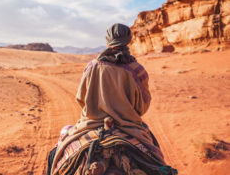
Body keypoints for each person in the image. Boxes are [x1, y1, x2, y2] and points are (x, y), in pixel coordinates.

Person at [48, 23, 177, 175]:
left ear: (107, 40)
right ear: (129, 40)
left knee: (56, 154)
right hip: (130, 127)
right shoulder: (138, 70)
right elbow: (142, 107)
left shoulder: (92, 66)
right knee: (156, 159)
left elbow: (81, 99)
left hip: (90, 125)